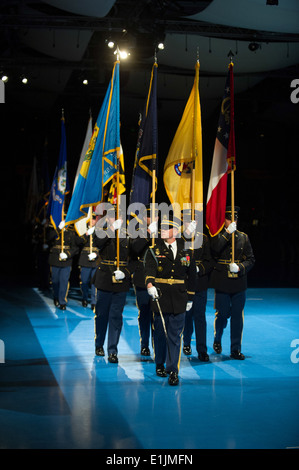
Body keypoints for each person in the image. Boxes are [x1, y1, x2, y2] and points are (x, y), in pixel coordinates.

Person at [144, 213, 196, 386]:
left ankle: (173, 370)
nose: (163, 231)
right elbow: (149, 269)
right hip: (161, 296)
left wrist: (190, 297)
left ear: (175, 230)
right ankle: (159, 362)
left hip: (180, 297)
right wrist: (150, 285)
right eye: (162, 228)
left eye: (167, 228)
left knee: (175, 335)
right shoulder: (154, 249)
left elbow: (191, 275)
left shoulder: (186, 249)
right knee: (160, 333)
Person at [209, 206, 255, 359]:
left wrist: (241, 267)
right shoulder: (218, 236)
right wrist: (227, 233)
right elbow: (215, 250)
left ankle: (235, 349)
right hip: (222, 281)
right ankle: (217, 337)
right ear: (224, 220)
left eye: (234, 219)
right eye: (229, 218)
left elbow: (251, 259)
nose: (232, 221)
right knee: (222, 314)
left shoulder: (243, 237)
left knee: (237, 317)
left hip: (238, 283)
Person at [92, 206, 131, 363]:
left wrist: (126, 272)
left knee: (116, 316)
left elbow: (135, 253)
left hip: (121, 279)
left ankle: (113, 350)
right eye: (112, 216)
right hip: (104, 278)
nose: (115, 219)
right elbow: (98, 243)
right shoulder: (101, 230)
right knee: (102, 315)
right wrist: (111, 230)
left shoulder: (128, 234)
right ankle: (99, 344)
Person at [182, 210, 214, 361]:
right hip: (184, 283)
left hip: (200, 283)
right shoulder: (179, 238)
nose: (190, 224)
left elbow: (209, 261)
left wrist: (199, 269)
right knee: (186, 316)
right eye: (187, 221)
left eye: (193, 221)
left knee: (200, 317)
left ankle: (202, 349)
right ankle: (186, 342)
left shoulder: (204, 239)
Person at [129, 205, 159, 356]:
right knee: (145, 313)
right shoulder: (137, 231)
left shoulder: (162, 232)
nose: (152, 219)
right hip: (141, 278)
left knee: (158, 314)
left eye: (155, 216)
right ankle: (145, 344)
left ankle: (157, 345)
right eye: (149, 216)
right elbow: (135, 248)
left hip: (159, 278)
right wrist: (148, 233)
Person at [47, 221, 79, 310]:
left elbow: (75, 248)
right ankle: (56, 297)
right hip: (55, 259)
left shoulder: (71, 233)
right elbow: (48, 238)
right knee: (55, 281)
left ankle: (62, 301)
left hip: (66, 260)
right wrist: (58, 229)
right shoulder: (54, 230)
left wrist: (67, 254)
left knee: (64, 281)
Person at [77, 212, 99, 311]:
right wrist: (86, 234)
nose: (92, 221)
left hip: (95, 260)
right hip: (85, 260)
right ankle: (85, 298)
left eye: (94, 219)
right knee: (84, 281)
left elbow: (103, 246)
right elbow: (78, 242)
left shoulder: (100, 232)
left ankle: (94, 302)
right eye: (90, 219)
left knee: (95, 283)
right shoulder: (84, 232)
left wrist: (96, 254)